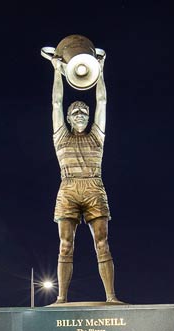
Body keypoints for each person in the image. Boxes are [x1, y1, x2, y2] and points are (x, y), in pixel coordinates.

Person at [49, 52, 119, 303]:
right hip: (68, 189)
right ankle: (61, 297)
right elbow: (57, 103)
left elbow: (102, 100)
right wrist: (57, 71)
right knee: (65, 245)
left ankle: (111, 297)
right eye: (75, 111)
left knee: (102, 243)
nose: (80, 114)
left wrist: (99, 70)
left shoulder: (97, 136)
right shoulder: (61, 138)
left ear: (89, 118)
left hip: (93, 187)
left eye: (83, 112)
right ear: (68, 119)